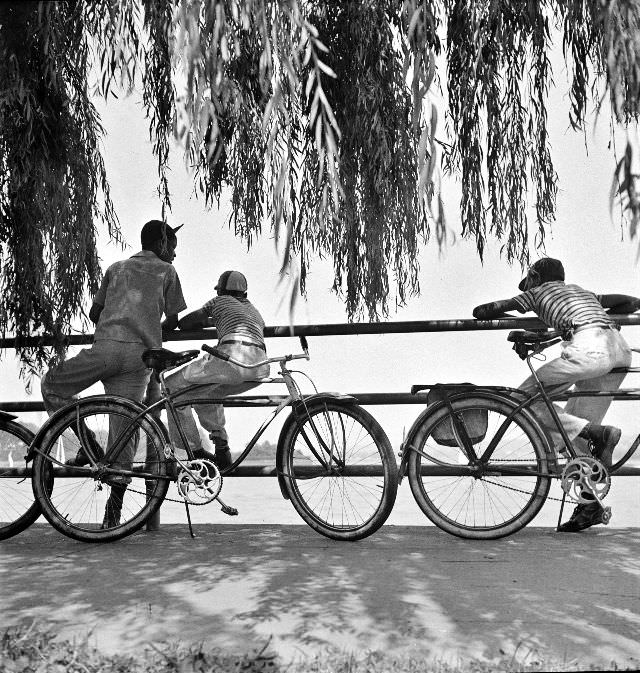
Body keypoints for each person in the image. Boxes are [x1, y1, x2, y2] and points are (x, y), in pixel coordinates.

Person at [472, 257, 640, 532]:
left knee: (521, 398)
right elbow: (633, 302)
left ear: (535, 278)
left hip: (590, 352)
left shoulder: (536, 293)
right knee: (572, 436)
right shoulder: (583, 293)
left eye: (529, 282)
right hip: (619, 351)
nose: (529, 287)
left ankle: (598, 434)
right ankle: (589, 505)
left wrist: (514, 319)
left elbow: (484, 310)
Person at [41, 220, 187, 525]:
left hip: (105, 349)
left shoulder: (117, 268)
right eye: (172, 247)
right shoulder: (167, 271)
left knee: (52, 385)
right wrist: (149, 327)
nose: (174, 253)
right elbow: (172, 319)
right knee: (126, 427)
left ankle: (87, 443)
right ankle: (113, 512)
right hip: (139, 358)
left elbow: (95, 313)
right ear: (161, 245)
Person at [164, 270, 269, 469]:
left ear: (221, 291)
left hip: (231, 358)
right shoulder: (254, 311)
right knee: (206, 393)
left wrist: (208, 320)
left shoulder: (219, 302)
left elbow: (185, 323)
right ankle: (221, 447)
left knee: (170, 387)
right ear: (244, 294)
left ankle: (194, 450)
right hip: (259, 366)